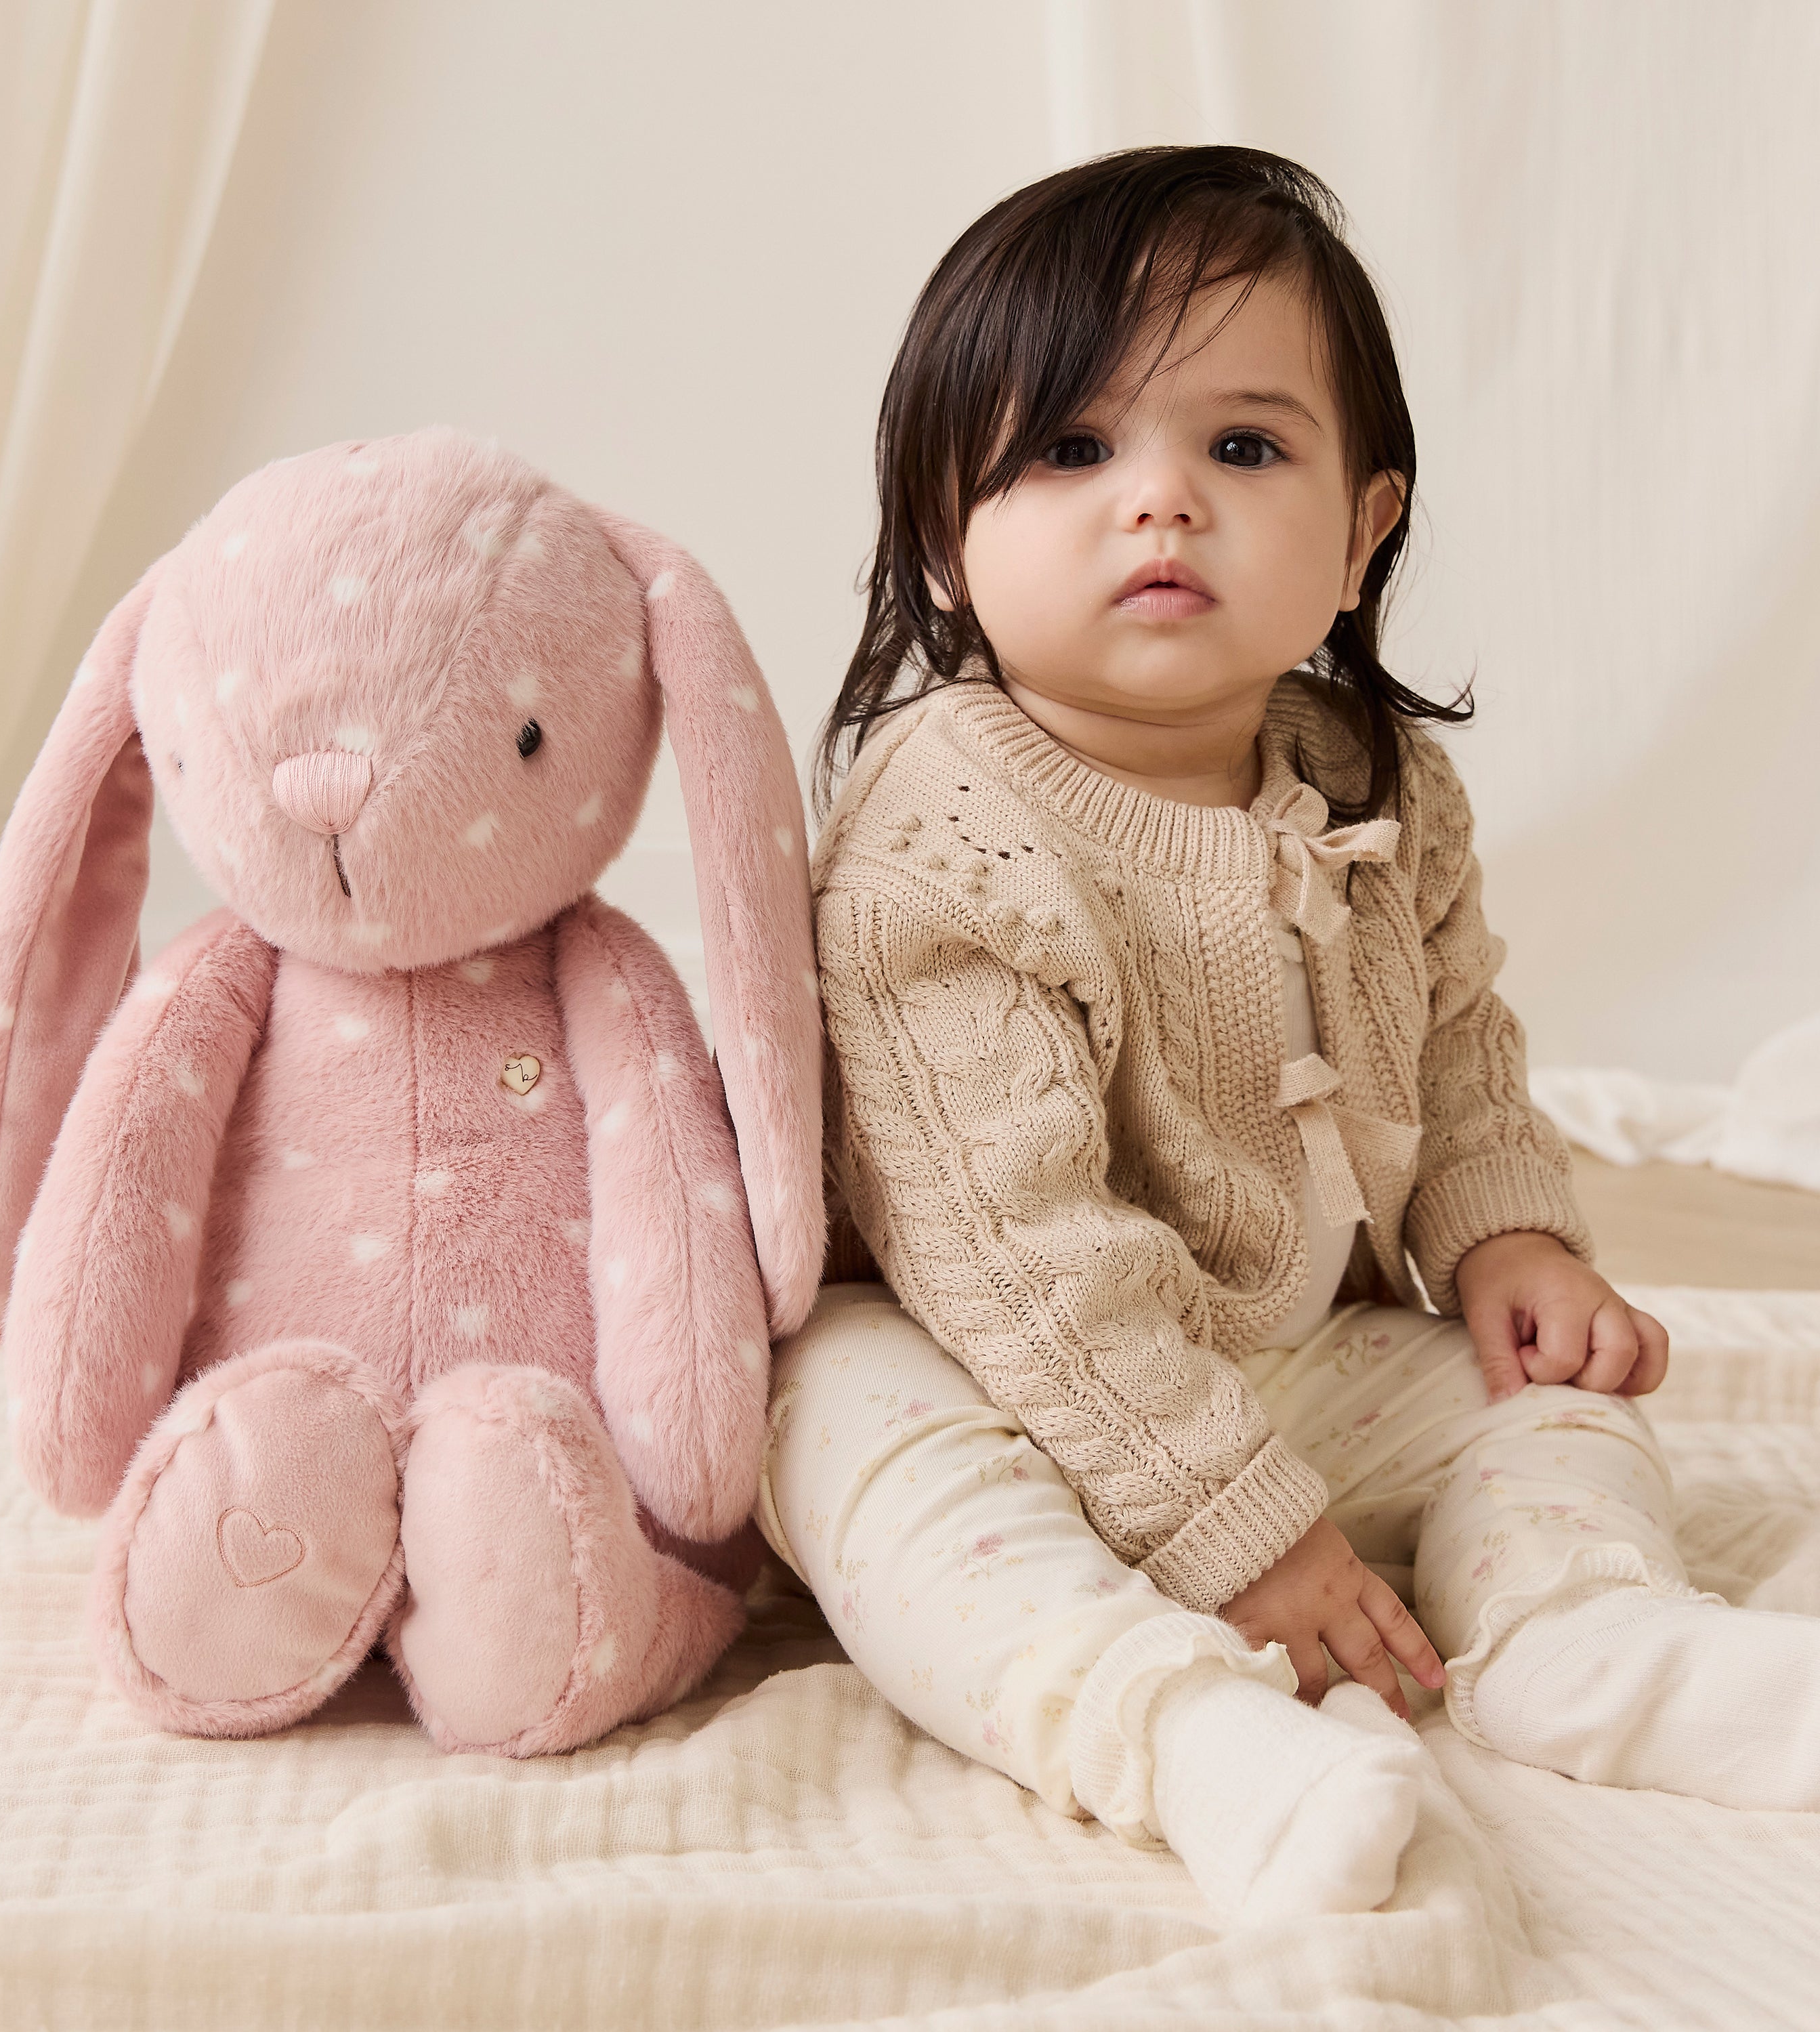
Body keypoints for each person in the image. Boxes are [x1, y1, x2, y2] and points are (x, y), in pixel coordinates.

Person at [758, 146, 1820, 1924]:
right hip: (1005, 1377)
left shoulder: (1371, 776)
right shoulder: (942, 837)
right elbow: (1022, 1266)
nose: (1160, 503)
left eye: (1243, 449)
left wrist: (1509, 1230)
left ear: (1363, 533)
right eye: (1072, 452)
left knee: (1551, 1394)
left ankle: (1583, 1639)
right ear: (948, 540)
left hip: (1289, 1356)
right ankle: (1189, 1738)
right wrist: (1237, 1533)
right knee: (843, 1434)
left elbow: (1462, 1036)